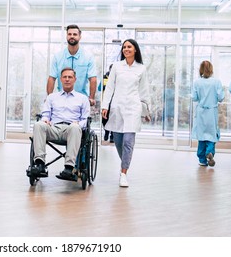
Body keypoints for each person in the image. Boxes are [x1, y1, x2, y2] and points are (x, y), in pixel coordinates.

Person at [101, 39, 150, 187]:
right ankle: (125, 162)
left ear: (135, 49)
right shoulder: (116, 66)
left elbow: (144, 91)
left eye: (129, 47)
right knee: (118, 142)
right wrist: (105, 106)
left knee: (128, 142)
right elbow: (109, 88)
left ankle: (123, 173)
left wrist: (146, 110)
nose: (126, 49)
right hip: (117, 108)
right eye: (124, 47)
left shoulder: (141, 68)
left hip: (133, 109)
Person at [33, 67, 90, 181]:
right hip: (54, 128)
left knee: (75, 127)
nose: (67, 79)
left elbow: (85, 119)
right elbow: (45, 114)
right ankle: (40, 165)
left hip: (71, 130)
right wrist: (45, 120)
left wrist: (78, 123)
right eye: (65, 77)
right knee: (39, 124)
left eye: (70, 77)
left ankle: (69, 168)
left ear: (75, 79)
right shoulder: (52, 97)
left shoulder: (83, 98)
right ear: (60, 79)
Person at [47, 24, 97, 106]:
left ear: (80, 37)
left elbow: (93, 79)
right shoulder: (58, 57)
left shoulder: (88, 57)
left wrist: (91, 98)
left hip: (81, 100)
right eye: (69, 34)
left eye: (75, 34)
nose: (72, 36)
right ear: (66, 36)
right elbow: (52, 78)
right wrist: (49, 98)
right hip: (61, 100)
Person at [191, 61, 225, 167]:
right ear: (211, 69)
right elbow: (221, 97)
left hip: (201, 111)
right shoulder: (216, 82)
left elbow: (194, 98)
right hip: (211, 111)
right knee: (211, 134)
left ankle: (202, 159)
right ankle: (209, 152)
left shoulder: (197, 82)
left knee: (201, 135)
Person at [101, 64, 114, 143]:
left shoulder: (118, 78)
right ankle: (106, 131)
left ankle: (112, 135)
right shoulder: (104, 77)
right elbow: (100, 88)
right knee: (104, 118)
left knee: (113, 118)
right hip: (106, 101)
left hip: (115, 101)